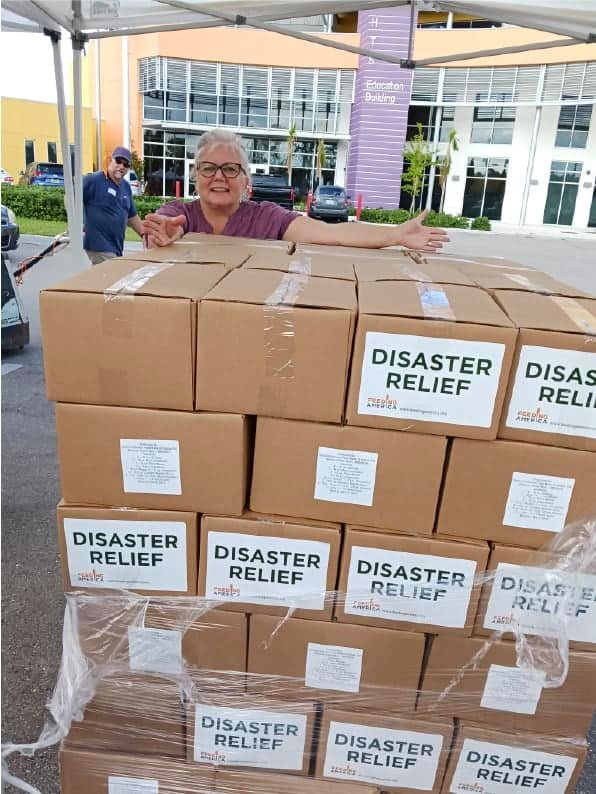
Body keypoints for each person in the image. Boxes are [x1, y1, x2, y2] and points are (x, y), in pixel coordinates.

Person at [142, 129, 448, 252]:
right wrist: (163, 234)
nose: (219, 177)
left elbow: (332, 233)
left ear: (246, 180)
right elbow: (164, 228)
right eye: (209, 168)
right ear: (197, 175)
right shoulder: (180, 213)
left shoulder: (266, 218)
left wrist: (394, 235)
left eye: (231, 169)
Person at [83, 146, 144, 265]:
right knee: (112, 276)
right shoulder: (94, 180)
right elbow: (70, 197)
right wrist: (76, 224)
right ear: (111, 160)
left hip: (116, 247)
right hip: (98, 245)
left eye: (126, 165)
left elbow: (131, 215)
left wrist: (144, 235)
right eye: (118, 161)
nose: (121, 166)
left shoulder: (125, 186)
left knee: (107, 280)